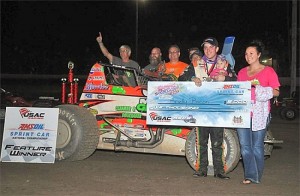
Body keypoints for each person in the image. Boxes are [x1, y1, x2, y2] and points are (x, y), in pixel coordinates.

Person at [237, 40, 280, 184]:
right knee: (244, 147)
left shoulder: (268, 71)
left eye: (251, 53)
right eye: (246, 54)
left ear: (259, 55)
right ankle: (250, 175)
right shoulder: (242, 72)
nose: (248, 56)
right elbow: (238, 91)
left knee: (256, 146)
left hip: (260, 113)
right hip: (243, 113)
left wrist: (260, 88)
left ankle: (256, 175)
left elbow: (276, 91)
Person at [193, 37, 234, 180]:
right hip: (201, 110)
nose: (208, 50)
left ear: (217, 49)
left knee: (218, 142)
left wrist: (226, 78)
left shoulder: (224, 63)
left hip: (218, 110)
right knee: (201, 142)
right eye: (205, 47)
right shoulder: (197, 63)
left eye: (211, 47)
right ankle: (201, 170)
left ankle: (220, 171)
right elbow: (182, 78)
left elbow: (235, 80)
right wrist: (193, 79)